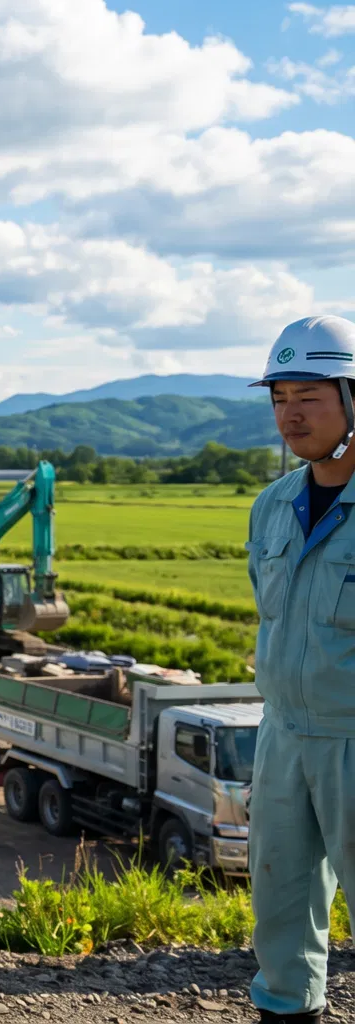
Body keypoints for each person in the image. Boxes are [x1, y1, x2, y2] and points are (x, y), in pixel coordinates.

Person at [246, 315, 355, 1024]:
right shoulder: (271, 508)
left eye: (309, 395)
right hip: (282, 735)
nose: (290, 414)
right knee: (280, 917)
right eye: (280, 396)